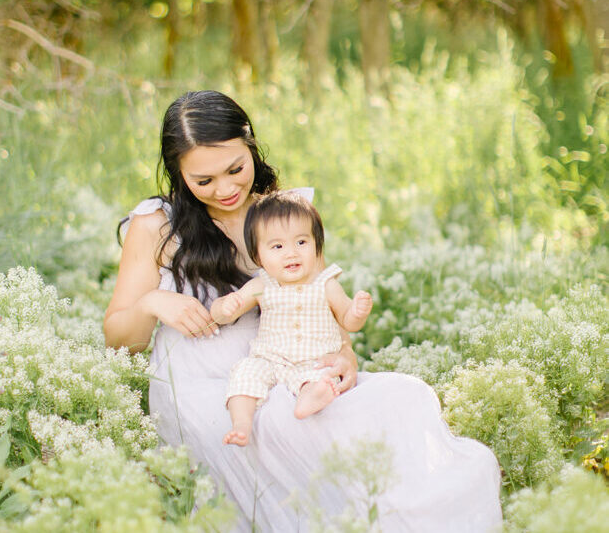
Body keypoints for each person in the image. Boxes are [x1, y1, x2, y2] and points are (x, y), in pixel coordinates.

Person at [104, 90, 503, 532]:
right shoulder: (156, 225)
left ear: (251, 144)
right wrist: (154, 300)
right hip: (206, 388)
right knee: (298, 430)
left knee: (402, 398)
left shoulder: (280, 211)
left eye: (236, 169)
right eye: (204, 181)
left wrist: (344, 354)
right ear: (178, 173)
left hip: (289, 366)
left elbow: (317, 295)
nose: (225, 189)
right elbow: (120, 337)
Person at [211, 191, 373, 446]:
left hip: (314, 360)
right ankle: (241, 424)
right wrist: (225, 306)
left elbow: (346, 320)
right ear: (258, 256)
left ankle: (311, 397)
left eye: (301, 242)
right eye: (277, 246)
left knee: (321, 377)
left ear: (317, 245)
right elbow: (223, 313)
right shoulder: (261, 285)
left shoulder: (325, 284)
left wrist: (356, 312)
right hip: (270, 359)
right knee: (245, 374)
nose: (291, 253)